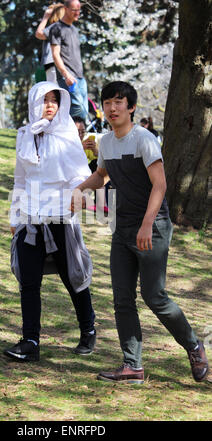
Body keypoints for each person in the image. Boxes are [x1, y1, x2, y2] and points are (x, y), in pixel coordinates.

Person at [71, 81, 209, 384]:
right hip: (122, 229)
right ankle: (132, 365)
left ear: (131, 107)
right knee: (122, 298)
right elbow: (102, 175)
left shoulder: (144, 139)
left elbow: (160, 185)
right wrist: (81, 187)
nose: (112, 108)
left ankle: (194, 346)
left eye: (119, 102)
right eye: (107, 102)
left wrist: (148, 224)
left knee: (154, 295)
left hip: (153, 227)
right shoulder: (105, 142)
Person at [4, 81, 96, 362]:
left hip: (60, 217)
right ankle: (30, 341)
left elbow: (79, 174)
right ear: (34, 103)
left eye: (55, 99)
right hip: (30, 218)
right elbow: (21, 179)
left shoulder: (67, 133)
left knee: (73, 277)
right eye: (45, 100)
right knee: (29, 282)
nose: (50, 105)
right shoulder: (24, 135)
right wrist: (14, 214)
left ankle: (88, 329)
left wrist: (80, 195)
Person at [49, 0, 88, 121]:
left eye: (79, 10)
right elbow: (55, 54)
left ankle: (77, 139)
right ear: (65, 9)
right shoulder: (56, 28)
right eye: (74, 10)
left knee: (84, 112)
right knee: (77, 109)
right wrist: (66, 75)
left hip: (80, 77)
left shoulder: (74, 30)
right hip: (68, 78)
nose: (78, 13)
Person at [35, 3, 65, 83]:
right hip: (61, 65)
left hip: (53, 65)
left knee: (53, 92)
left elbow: (38, 34)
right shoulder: (65, 27)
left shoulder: (55, 26)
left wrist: (45, 17)